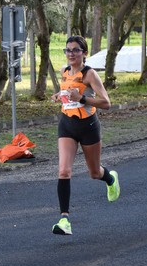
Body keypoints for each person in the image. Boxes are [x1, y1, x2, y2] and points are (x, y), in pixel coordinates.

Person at [51, 35, 120, 235]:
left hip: (88, 126)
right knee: (64, 171)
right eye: (68, 50)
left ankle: (110, 179)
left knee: (94, 172)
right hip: (67, 125)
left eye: (76, 50)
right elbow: (67, 93)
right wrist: (59, 96)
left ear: (84, 53)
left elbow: (106, 103)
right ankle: (64, 219)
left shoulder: (90, 75)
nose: (71, 54)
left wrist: (82, 98)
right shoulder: (64, 71)